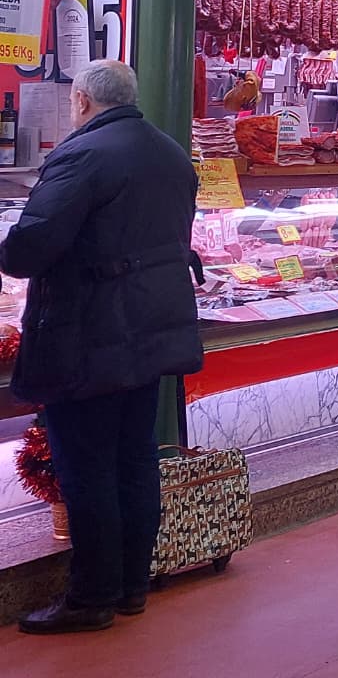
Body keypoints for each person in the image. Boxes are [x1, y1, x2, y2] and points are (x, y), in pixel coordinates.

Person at [3, 60, 203, 634]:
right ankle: (131, 587)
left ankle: (91, 598)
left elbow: (29, 250)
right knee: (134, 460)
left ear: (82, 101)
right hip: (150, 330)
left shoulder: (82, 155)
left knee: (86, 467)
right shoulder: (170, 152)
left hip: (89, 335)